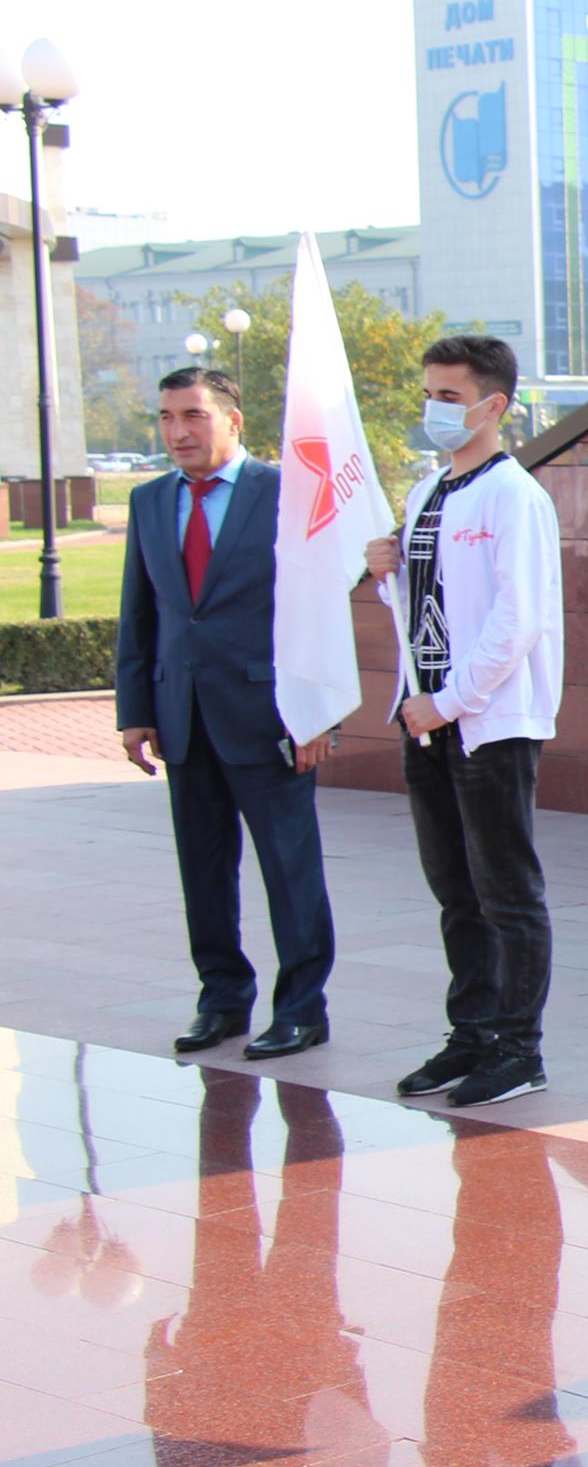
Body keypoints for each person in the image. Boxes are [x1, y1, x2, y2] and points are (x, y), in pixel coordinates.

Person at [360, 335, 564, 1110]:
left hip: (490, 723)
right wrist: (387, 574)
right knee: (456, 890)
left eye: (449, 397)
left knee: (507, 891)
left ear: (492, 405)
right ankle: (471, 1032)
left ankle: (520, 1048)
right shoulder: (425, 494)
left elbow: (518, 620)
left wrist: (447, 703)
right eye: (429, 395)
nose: (433, 410)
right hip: (427, 720)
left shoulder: (516, 496)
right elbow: (424, 611)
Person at [112, 368, 336, 1061]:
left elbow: (318, 608)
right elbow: (139, 611)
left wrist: (316, 711)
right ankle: (222, 1001)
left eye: (193, 415)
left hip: (268, 717)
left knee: (288, 869)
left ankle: (302, 1009)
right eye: (167, 417)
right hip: (182, 717)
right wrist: (136, 709)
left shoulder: (286, 493)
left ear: (232, 420)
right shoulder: (150, 501)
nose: (178, 431)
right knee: (204, 871)